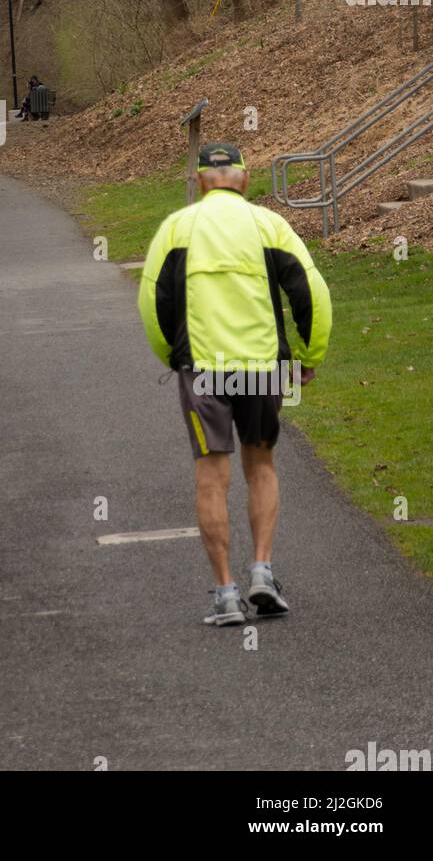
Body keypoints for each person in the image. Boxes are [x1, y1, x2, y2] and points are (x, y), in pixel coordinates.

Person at [138, 143, 332, 627]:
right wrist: (309, 357)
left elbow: (152, 304)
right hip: (262, 365)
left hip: (203, 368)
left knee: (211, 475)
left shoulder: (176, 229)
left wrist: (173, 356)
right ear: (244, 180)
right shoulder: (270, 225)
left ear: (201, 181)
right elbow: (311, 293)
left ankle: (226, 594)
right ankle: (262, 573)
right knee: (261, 464)